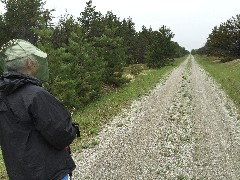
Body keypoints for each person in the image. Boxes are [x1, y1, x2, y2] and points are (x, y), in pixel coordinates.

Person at [0, 39, 79, 180]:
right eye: (34, 59)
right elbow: (62, 134)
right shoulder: (35, 94)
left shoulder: (2, 97)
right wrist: (73, 129)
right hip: (50, 172)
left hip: (19, 174)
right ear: (29, 63)